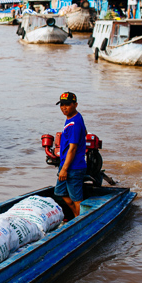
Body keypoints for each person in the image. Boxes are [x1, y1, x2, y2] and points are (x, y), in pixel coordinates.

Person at [54, 91, 87, 219]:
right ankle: (76, 215)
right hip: (66, 165)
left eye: (67, 104)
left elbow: (72, 149)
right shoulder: (73, 118)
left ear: (75, 104)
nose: (64, 108)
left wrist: (64, 169)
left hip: (73, 167)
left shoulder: (74, 123)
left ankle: (80, 221)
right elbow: (84, 132)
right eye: (62, 105)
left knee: (77, 199)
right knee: (60, 192)